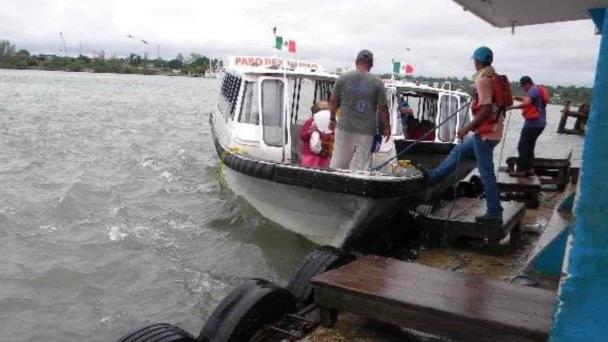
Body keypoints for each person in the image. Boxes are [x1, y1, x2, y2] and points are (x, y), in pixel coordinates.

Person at [423, 46, 505, 225]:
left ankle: (495, 212)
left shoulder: (483, 79)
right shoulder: (494, 77)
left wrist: (466, 128)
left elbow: (485, 110)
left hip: (485, 135)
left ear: (477, 61)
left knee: (486, 173)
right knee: (458, 151)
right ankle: (434, 177)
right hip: (492, 132)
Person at [328, 50, 391, 171]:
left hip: (345, 128)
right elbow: (383, 108)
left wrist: (332, 119)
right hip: (367, 132)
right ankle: (359, 187)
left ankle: (335, 186)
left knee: (338, 163)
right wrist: (387, 127)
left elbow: (333, 100)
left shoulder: (343, 78)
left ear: (356, 62)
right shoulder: (378, 83)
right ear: (371, 65)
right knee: (361, 167)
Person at [507, 76, 547, 177]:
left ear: (527, 84)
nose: (522, 89)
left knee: (523, 146)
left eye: (522, 86)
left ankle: (522, 170)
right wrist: (516, 97)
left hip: (533, 124)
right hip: (540, 124)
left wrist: (511, 107)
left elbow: (527, 102)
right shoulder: (536, 90)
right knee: (529, 146)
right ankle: (529, 169)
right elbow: (528, 100)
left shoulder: (533, 90)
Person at [299, 101, 333, 168]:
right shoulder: (310, 121)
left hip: (324, 156)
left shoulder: (329, 124)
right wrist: (310, 132)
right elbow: (302, 136)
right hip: (310, 156)